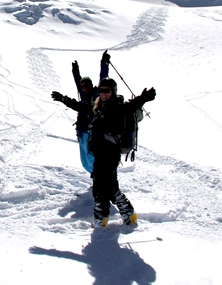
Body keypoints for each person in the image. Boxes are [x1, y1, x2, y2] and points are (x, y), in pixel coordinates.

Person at [88, 77, 156, 227]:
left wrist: (143, 98)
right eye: (101, 90)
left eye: (107, 90)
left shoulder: (116, 107)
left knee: (102, 186)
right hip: (101, 153)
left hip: (109, 153)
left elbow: (130, 107)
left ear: (113, 92)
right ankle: (125, 214)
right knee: (109, 186)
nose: (103, 93)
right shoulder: (101, 106)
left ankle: (102, 219)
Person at [51, 50, 110, 172]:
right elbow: (77, 82)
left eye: (87, 85)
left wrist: (104, 63)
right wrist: (75, 70)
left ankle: (98, 182)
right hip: (82, 132)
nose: (84, 88)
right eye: (83, 86)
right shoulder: (83, 95)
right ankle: (95, 180)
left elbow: (103, 77)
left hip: (91, 132)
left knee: (92, 159)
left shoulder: (97, 94)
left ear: (91, 85)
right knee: (84, 162)